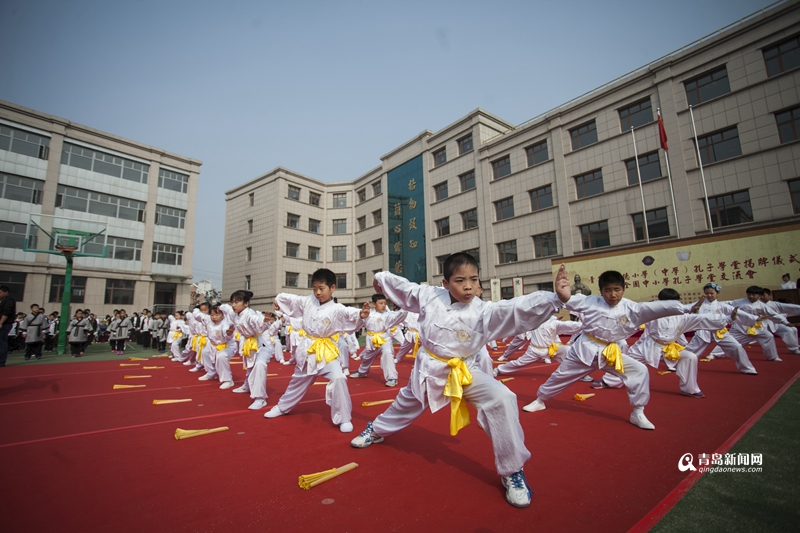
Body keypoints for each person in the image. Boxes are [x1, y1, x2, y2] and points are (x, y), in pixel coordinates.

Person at [350, 253, 572, 508]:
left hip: (464, 372)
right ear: (445, 283)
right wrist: (380, 279)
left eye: (473, 279)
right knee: (405, 405)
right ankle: (376, 430)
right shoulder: (429, 296)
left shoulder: (484, 311)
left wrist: (555, 299)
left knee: (503, 398)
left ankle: (512, 471)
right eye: (460, 280)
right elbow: (403, 287)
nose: (468, 286)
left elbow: (515, 308)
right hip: (429, 370)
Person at [523, 270, 686, 431]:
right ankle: (540, 400)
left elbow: (656, 308)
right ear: (601, 291)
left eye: (617, 290)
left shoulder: (631, 307)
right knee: (559, 376)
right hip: (584, 350)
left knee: (640, 370)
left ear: (623, 289)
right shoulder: (590, 301)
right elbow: (567, 300)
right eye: (608, 290)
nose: (613, 295)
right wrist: (562, 292)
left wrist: (687, 308)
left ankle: (638, 412)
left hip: (611, 352)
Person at [593, 288, 758, 398]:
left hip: (670, 347)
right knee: (626, 361)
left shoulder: (683, 316)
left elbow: (703, 319)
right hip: (648, 346)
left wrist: (729, 318)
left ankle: (689, 388)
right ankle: (609, 381)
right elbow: (632, 315)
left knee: (690, 357)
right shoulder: (652, 312)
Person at [265, 268, 370, 432]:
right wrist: (279, 302)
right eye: (315, 289)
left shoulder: (337, 308)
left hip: (326, 350)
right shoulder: (307, 301)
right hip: (308, 349)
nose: (318, 293)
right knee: (297, 381)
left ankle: (344, 418)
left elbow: (350, 313)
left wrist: (361, 314)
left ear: (332, 288)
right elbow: (290, 300)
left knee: (338, 378)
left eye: (322, 289)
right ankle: (282, 407)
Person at [681, 283, 759, 374]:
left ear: (717, 293)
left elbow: (739, 313)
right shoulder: (699, 304)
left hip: (720, 332)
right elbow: (685, 309)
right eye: (707, 293)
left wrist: (755, 318)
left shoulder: (722, 305)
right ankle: (676, 365)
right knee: (690, 350)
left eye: (711, 293)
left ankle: (747, 368)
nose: (709, 295)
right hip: (702, 332)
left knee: (737, 347)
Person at [224, 291, 280, 404]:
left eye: (236, 302)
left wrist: (263, 321)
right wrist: (218, 308)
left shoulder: (250, 314)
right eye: (232, 302)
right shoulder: (235, 314)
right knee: (250, 365)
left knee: (259, 364)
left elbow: (256, 320)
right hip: (249, 342)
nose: (233, 305)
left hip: (263, 344)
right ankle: (247, 385)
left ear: (246, 303)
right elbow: (226, 309)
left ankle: (260, 398)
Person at [494, 315, 582, 377]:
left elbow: (570, 325)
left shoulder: (554, 323)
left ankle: (578, 373)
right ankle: (499, 369)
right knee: (519, 363)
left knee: (567, 350)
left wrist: (585, 325)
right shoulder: (534, 322)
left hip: (549, 350)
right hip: (534, 350)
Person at [349, 293, 407, 387]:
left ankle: (392, 378)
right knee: (366, 358)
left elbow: (398, 316)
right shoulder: (368, 313)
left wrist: (405, 307)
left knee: (387, 353)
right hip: (371, 340)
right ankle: (362, 372)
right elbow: (358, 322)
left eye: (384, 303)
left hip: (384, 339)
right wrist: (362, 316)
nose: (383, 305)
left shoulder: (388, 315)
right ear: (374, 304)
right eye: (380, 303)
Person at [761, 289, 800, 354]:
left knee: (792, 329)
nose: (762, 297)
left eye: (763, 295)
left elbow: (791, 307)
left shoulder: (775, 304)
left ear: (770, 295)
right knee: (788, 330)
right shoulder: (757, 305)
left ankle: (793, 348)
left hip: (775, 324)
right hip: (763, 325)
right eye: (760, 296)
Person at [0, 285, 16, 367]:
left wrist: (1, 322)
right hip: (4, 323)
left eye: (0, 292)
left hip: (5, 324)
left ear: (6, 292)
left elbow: (6, 312)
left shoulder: (9, 300)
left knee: (2, 342)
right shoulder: (3, 300)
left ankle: (1, 361)